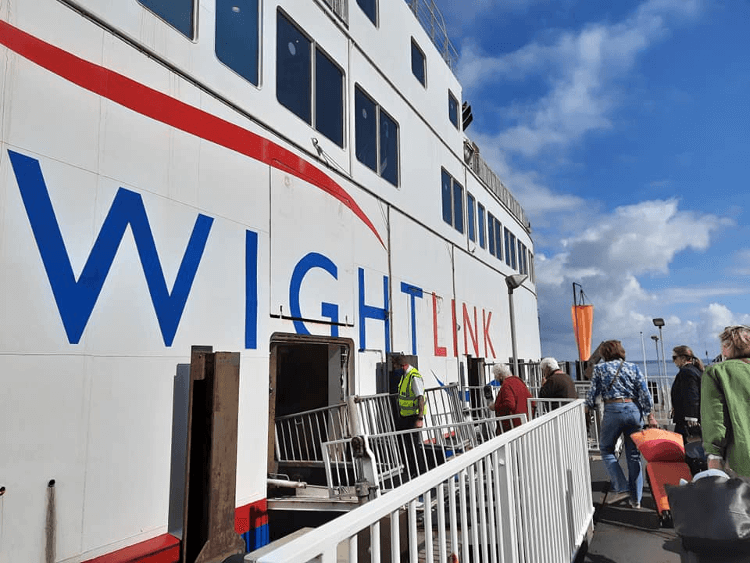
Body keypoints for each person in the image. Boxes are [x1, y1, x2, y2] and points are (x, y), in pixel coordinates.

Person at [584, 340, 658, 509]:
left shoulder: (600, 369)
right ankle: (636, 500)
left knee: (606, 449)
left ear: (605, 354)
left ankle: (621, 487)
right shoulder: (633, 367)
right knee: (633, 456)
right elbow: (644, 393)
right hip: (634, 409)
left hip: (613, 408)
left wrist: (587, 408)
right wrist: (650, 416)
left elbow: (593, 393)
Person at [701, 325, 750, 478]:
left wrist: (714, 457)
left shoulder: (717, 372)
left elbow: (715, 420)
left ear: (726, 347)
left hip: (741, 459)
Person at [670, 345, 703, 444]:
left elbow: (691, 395)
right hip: (688, 417)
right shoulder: (696, 370)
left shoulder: (686, 372)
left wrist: (691, 417)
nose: (673, 361)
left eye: (674, 358)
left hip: (685, 419)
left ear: (683, 358)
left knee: (684, 447)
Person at [492, 363, 532, 433]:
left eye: (495, 375)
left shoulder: (506, 385)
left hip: (512, 425)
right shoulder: (519, 381)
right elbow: (532, 401)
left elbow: (510, 404)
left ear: (500, 375)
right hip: (524, 421)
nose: (495, 378)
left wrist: (495, 407)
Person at [393, 353, 425, 429]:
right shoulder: (405, 376)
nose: (395, 368)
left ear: (402, 366)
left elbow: (420, 397)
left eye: (396, 366)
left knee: (413, 439)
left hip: (414, 416)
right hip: (405, 415)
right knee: (406, 439)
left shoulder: (413, 376)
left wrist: (420, 418)